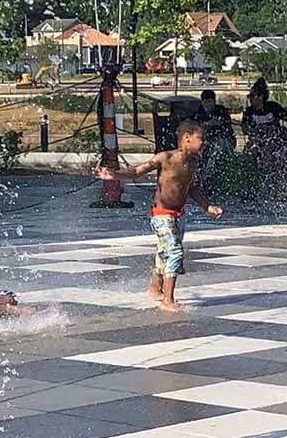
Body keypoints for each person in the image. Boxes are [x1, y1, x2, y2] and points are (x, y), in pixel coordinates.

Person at [95, 120, 223, 312]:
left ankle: (155, 288)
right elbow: (138, 170)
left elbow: (190, 187)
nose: (204, 143)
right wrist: (114, 175)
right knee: (174, 252)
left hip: (179, 215)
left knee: (164, 252)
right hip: (161, 214)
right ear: (187, 139)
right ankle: (168, 300)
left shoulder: (193, 162)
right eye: (201, 139)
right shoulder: (166, 158)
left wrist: (207, 206)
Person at [192, 89, 236, 192]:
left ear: (214, 101)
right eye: (205, 102)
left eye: (210, 101)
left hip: (224, 140)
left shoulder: (222, 111)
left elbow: (226, 126)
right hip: (207, 142)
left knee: (216, 150)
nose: (207, 105)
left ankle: (207, 177)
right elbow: (193, 125)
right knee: (199, 151)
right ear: (202, 102)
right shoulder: (199, 113)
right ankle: (198, 178)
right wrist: (206, 124)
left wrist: (210, 124)